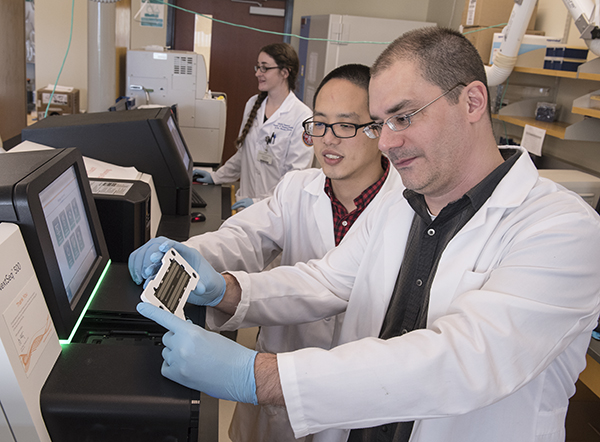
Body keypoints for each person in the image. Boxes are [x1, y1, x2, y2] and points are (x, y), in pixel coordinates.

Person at [134, 27, 600, 442]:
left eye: (404, 117)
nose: (386, 141)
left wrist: (258, 376)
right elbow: (329, 281)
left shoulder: (562, 229)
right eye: (381, 123)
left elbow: (463, 360)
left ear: (473, 102)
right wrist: (226, 290)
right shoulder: (403, 202)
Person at [129, 63, 402, 442]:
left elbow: (328, 285)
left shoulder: (406, 208)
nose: (328, 139)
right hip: (279, 370)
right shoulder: (297, 189)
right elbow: (242, 237)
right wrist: (184, 253)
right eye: (319, 124)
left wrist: (227, 290)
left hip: (354, 396)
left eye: (345, 125)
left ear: (378, 129)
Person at [194, 43, 313, 211]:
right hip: (244, 204)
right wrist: (215, 176)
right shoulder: (253, 104)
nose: (258, 73)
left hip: (276, 211)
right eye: (258, 67)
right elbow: (244, 155)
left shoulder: (302, 117)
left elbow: (296, 178)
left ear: (285, 72)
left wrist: (261, 202)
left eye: (264, 68)